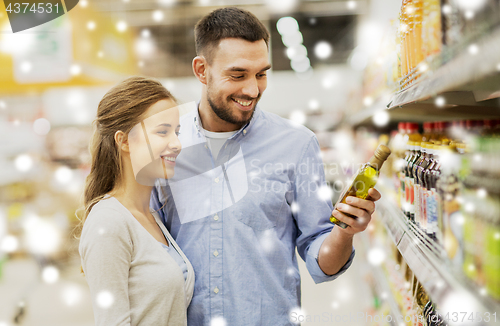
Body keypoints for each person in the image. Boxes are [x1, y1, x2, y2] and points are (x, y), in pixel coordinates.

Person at [151, 7, 381, 325]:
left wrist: (345, 233)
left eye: (261, 74)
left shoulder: (296, 145)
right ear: (202, 70)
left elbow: (321, 259)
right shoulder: (162, 142)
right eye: (238, 75)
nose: (252, 90)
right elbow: (146, 249)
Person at [78, 76, 195, 326]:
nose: (176, 144)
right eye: (162, 131)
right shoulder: (109, 223)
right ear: (123, 141)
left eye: (177, 132)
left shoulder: (151, 215)